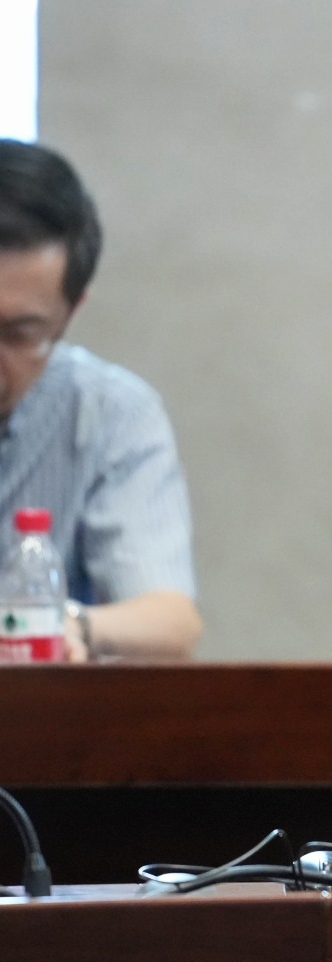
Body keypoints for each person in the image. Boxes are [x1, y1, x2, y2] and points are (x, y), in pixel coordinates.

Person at [0, 140, 201, 660]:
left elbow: (172, 622)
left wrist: (61, 623)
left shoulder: (112, 412)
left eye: (18, 334)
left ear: (69, 313)